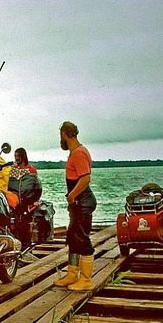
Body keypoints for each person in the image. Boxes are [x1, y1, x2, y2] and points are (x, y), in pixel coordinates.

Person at [53, 122, 97, 291]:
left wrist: (72, 195)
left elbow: (85, 178)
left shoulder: (79, 152)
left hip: (82, 202)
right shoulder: (74, 152)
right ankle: (72, 273)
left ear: (65, 134)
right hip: (77, 204)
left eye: (61, 135)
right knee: (72, 237)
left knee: (82, 238)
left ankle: (86, 279)